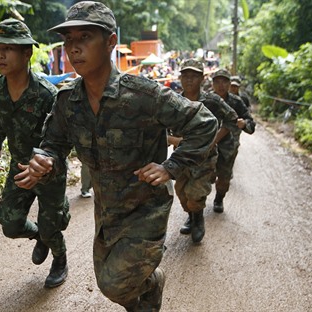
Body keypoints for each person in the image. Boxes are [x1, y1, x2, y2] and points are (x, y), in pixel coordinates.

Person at [13, 2, 217, 310]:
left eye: (84, 37)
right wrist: (45, 159)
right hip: (106, 210)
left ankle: (148, 286)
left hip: (146, 208)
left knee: (115, 282)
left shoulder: (142, 95)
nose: (74, 47)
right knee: (110, 284)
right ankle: (148, 291)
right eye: (69, 40)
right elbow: (53, 142)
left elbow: (204, 123)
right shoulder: (69, 101)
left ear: (110, 42)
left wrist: (171, 166)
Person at [0, 18, 70, 288]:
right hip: (20, 166)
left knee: (53, 224)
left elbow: (60, 138)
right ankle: (40, 236)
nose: (1, 54)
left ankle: (59, 257)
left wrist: (46, 167)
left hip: (47, 171)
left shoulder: (46, 94)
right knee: (9, 223)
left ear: (26, 53)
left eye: (8, 48)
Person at [168, 59, 239, 243]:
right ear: (180, 78)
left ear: (202, 78)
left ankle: (198, 220)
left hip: (205, 158)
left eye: (194, 76)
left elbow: (231, 118)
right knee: (182, 193)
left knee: (196, 193)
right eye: (185, 76)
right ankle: (191, 216)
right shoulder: (173, 100)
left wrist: (212, 140)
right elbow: (161, 126)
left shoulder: (211, 101)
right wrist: (173, 140)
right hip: (181, 157)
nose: (189, 80)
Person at [211, 69, 256, 213]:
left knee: (224, 179)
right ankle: (195, 212)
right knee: (198, 181)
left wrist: (244, 124)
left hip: (228, 147)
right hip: (206, 147)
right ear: (212, 84)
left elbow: (250, 123)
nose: (221, 85)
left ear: (229, 84)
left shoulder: (236, 102)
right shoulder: (206, 100)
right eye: (217, 82)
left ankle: (219, 199)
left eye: (224, 81)